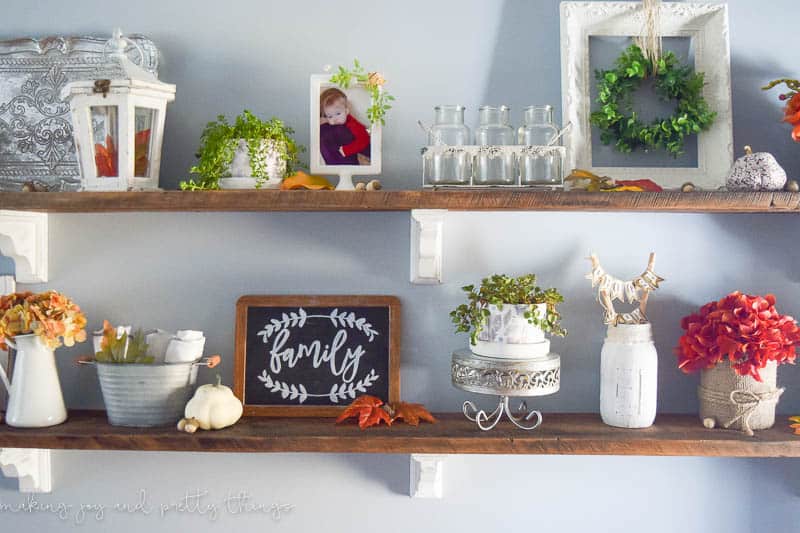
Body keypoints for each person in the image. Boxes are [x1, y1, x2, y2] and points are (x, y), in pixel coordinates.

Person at [319, 88, 371, 165]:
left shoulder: (353, 124)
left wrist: (347, 150)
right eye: (330, 116)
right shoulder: (331, 126)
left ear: (346, 111)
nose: (335, 119)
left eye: (338, 114)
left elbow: (364, 139)